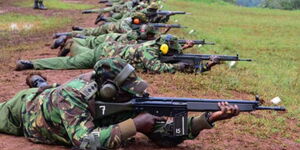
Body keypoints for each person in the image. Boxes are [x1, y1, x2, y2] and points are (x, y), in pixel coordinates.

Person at [1, 58, 240, 149]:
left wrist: (206, 120)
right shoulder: (73, 97)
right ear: (109, 90)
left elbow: (165, 134)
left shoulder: (123, 99)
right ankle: (39, 85)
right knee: (48, 94)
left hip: (56, 103)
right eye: (127, 93)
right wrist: (134, 125)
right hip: (23, 112)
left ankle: (42, 84)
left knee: (50, 91)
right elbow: (84, 142)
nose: (133, 97)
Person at [15, 34, 197, 73]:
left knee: (78, 52)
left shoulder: (152, 44)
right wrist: (177, 67)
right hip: (101, 56)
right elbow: (156, 67)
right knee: (71, 63)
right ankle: (30, 64)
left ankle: (72, 42)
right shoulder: (149, 51)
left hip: (105, 50)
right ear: (164, 48)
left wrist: (184, 49)